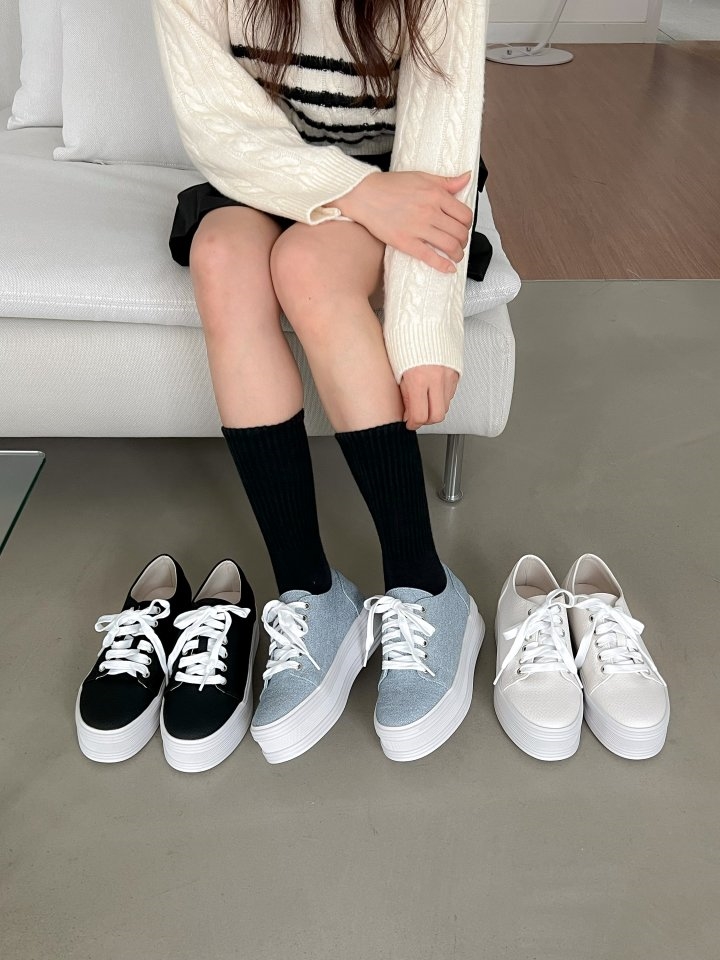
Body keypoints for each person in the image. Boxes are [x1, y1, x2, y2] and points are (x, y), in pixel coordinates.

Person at [150, 0, 492, 763]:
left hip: (408, 175)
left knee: (308, 267)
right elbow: (217, 126)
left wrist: (424, 329)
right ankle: (310, 591)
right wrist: (350, 192)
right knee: (222, 259)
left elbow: (441, 136)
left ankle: (426, 584)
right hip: (261, 166)